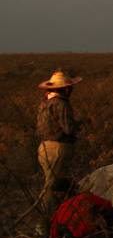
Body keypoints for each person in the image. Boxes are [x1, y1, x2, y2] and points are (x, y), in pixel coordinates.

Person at [36, 70, 83, 226]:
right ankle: (44, 223)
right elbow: (69, 129)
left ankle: (51, 219)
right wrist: (81, 124)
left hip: (44, 147)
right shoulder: (61, 104)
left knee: (49, 183)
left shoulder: (44, 103)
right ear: (66, 89)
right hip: (58, 147)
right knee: (52, 186)